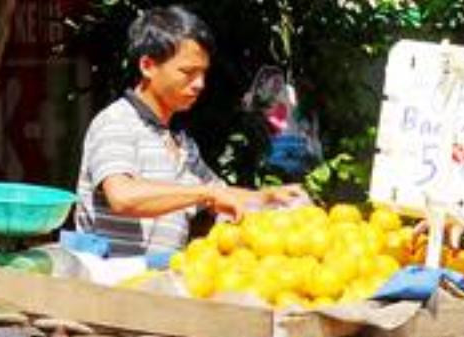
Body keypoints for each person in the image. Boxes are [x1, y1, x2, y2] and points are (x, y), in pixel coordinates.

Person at [75, 5, 302, 257]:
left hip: (155, 289)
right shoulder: (116, 122)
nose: (199, 84)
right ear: (148, 66)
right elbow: (122, 196)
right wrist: (204, 193)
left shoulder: (181, 142)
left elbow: (219, 194)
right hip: (106, 288)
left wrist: (267, 198)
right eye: (187, 72)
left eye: (203, 73)